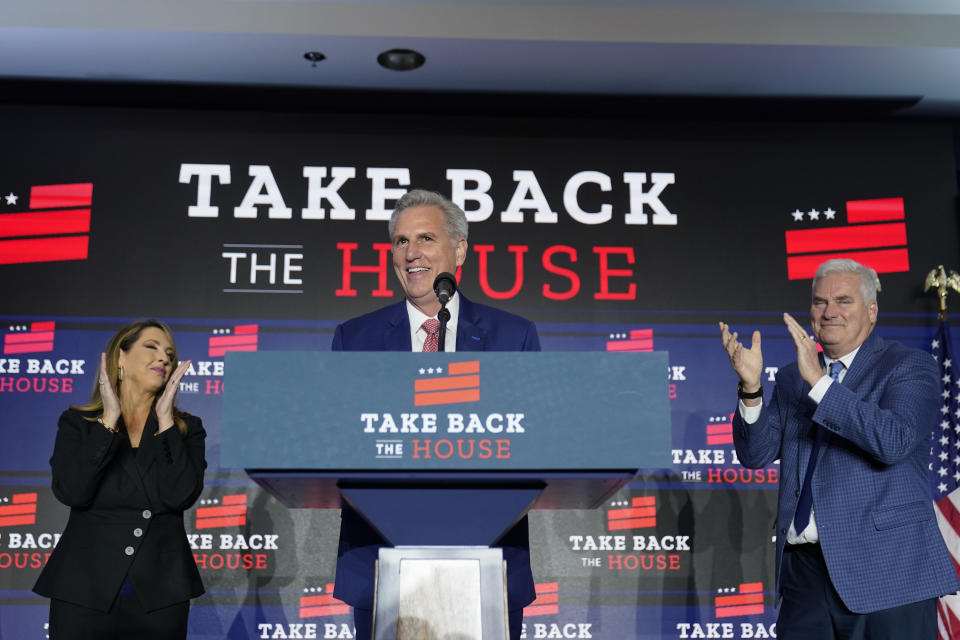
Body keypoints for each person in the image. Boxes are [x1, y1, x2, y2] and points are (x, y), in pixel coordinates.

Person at [332, 188, 539, 639]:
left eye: (425, 238)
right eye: (401, 242)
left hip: (489, 559)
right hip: (380, 557)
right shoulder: (355, 339)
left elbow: (532, 440)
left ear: (459, 249)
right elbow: (339, 439)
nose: (411, 253)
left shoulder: (513, 337)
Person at [719, 259, 959, 639]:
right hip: (804, 575)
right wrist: (751, 389)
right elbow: (756, 455)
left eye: (843, 300)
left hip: (887, 571)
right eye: (819, 302)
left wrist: (819, 383)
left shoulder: (910, 366)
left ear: (871, 310)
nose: (829, 311)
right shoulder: (789, 377)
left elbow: (893, 441)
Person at [34, 319, 206, 640]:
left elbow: (179, 496)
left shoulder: (185, 429)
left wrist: (166, 421)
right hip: (84, 590)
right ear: (121, 358)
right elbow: (72, 491)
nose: (164, 358)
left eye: (169, 353)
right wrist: (109, 421)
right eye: (152, 347)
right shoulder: (79, 424)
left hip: (159, 594)